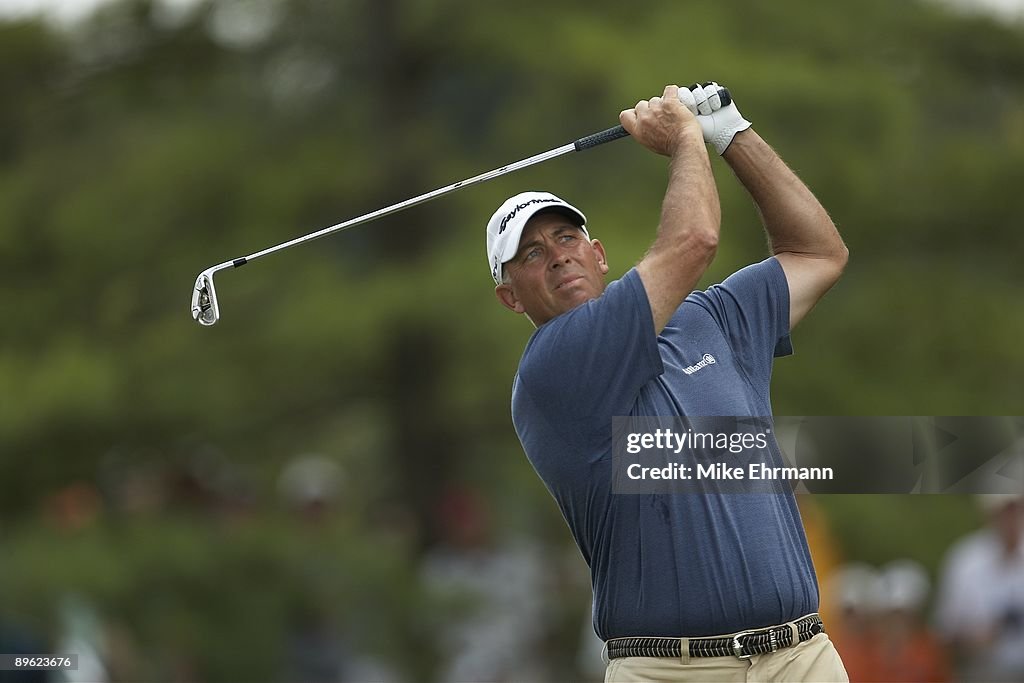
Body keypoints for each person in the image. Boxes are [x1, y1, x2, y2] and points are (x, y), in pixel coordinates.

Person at [485, 82, 849, 682]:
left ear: (599, 254)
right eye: (529, 254)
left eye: (566, 237)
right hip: (670, 671)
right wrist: (686, 139)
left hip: (800, 657)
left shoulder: (707, 319)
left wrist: (734, 135)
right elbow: (694, 240)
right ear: (509, 297)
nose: (555, 255)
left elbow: (817, 253)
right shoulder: (553, 368)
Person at [934, 494, 1024, 682]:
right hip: (981, 672)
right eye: (1005, 511)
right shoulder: (964, 561)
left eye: (1016, 509)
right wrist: (977, 638)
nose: (1011, 519)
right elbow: (944, 634)